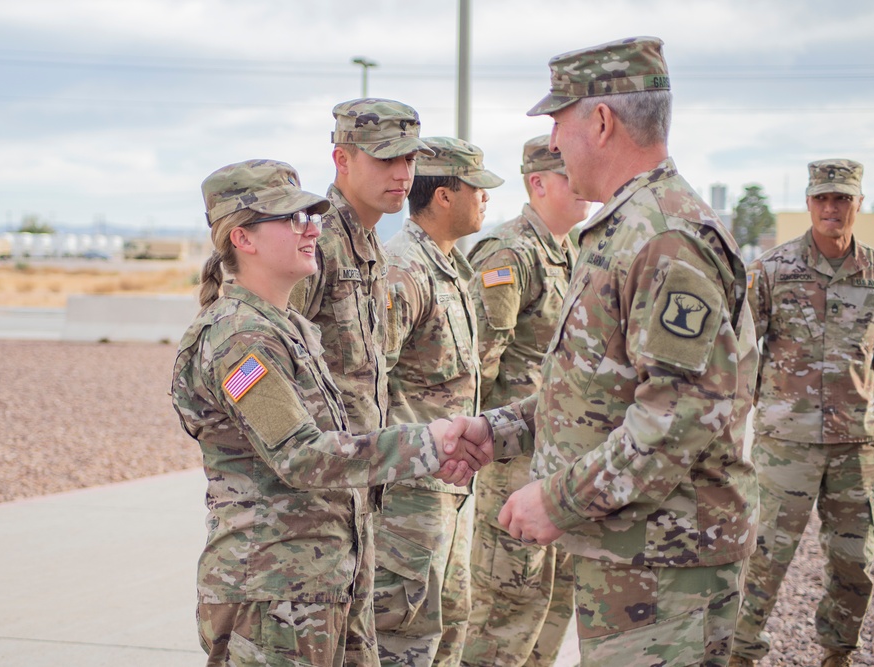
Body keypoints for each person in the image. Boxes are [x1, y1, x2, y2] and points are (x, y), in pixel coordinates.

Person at [444, 36, 759, 666]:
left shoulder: (666, 236)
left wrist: (557, 499)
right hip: (633, 554)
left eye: (559, 121)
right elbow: (595, 391)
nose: (554, 142)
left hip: (667, 566)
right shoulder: (625, 226)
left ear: (602, 120)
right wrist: (495, 429)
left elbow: (676, 417)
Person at [170, 159, 488, 667]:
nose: (312, 227)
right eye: (292, 219)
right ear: (242, 239)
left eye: (312, 215)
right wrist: (429, 443)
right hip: (273, 593)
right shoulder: (240, 339)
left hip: (328, 579)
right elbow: (302, 457)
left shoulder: (288, 326)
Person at [729, 160, 874, 667]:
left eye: (842, 198)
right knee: (763, 558)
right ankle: (739, 654)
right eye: (822, 199)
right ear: (810, 202)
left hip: (856, 446)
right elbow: (742, 353)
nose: (831, 208)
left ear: (859, 202)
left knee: (856, 563)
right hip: (785, 444)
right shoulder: (773, 270)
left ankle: (837, 654)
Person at [462, 135, 589, 667]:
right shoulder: (510, 253)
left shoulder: (575, 251)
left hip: (562, 458)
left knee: (552, 604)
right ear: (538, 183)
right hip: (515, 463)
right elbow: (479, 365)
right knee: (505, 606)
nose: (584, 186)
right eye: (569, 176)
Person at [376, 136, 503, 667]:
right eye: (477, 188)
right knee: (402, 639)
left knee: (448, 626)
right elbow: (366, 384)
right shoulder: (403, 270)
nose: (486, 200)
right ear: (445, 196)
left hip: (448, 492)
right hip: (410, 496)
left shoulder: (452, 268)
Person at [289, 97, 433, 437]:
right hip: (317, 474)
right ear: (342, 160)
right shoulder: (316, 244)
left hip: (360, 473)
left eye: (409, 160)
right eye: (386, 159)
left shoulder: (370, 246)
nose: (403, 175)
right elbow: (267, 358)